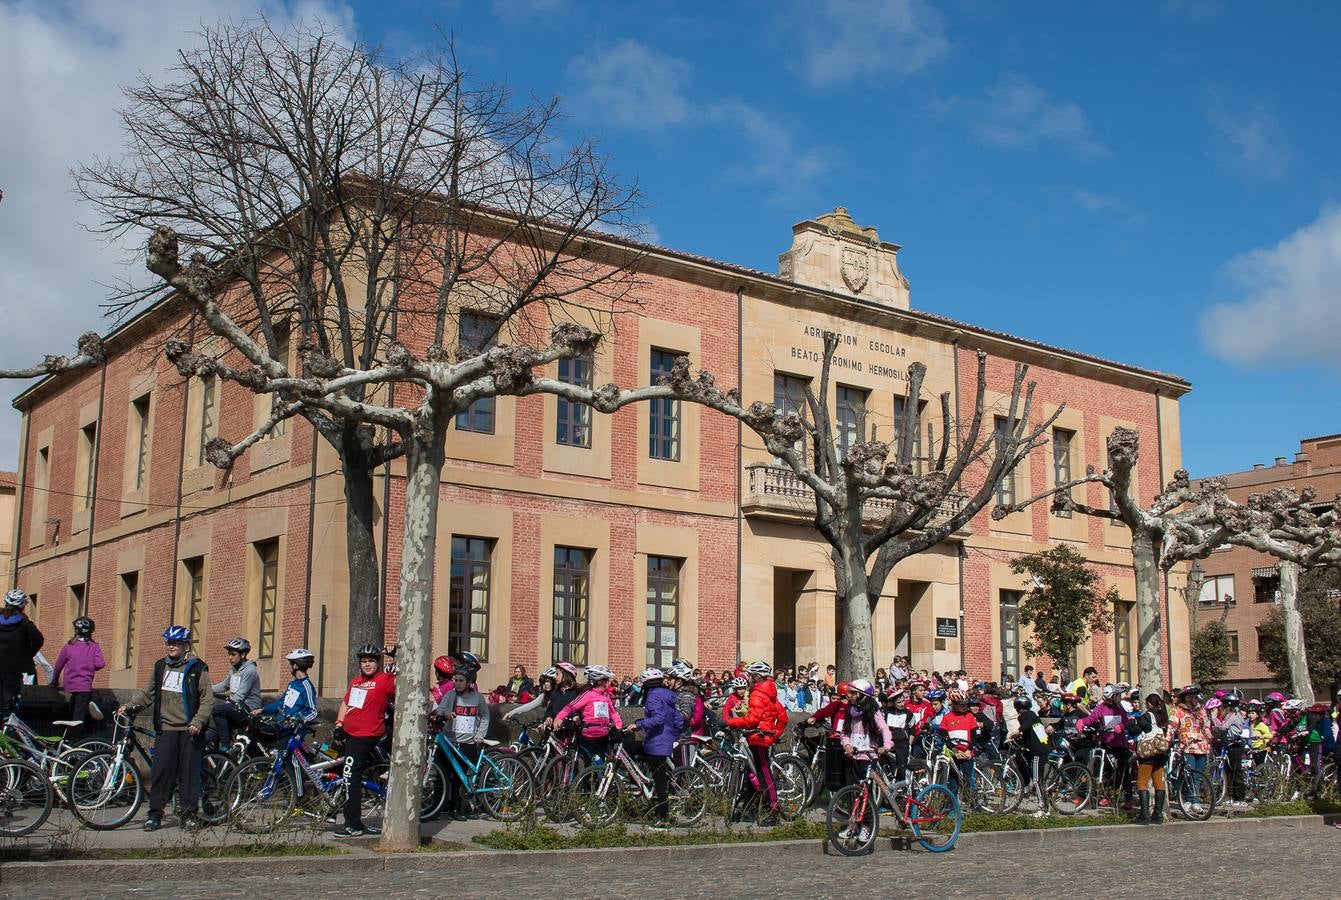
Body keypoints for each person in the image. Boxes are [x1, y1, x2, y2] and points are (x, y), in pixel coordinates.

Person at [118, 625, 214, 831]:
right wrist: (129, 706)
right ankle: (155, 815)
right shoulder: (161, 666)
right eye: (169, 643)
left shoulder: (198, 668)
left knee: (189, 775)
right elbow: (148, 694)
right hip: (166, 729)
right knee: (161, 773)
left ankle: (189, 815)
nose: (171, 646)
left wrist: (198, 721)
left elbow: (207, 700)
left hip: (189, 730)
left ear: (186, 646)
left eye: (176, 643)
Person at [332, 643, 396, 837]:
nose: (367, 664)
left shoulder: (384, 680)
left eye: (371, 661)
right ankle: (330, 810)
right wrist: (339, 724)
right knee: (334, 768)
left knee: (351, 777)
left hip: (365, 735)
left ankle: (353, 824)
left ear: (378, 663)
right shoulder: (356, 682)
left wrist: (395, 657)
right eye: (364, 661)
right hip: (349, 734)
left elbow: (404, 677)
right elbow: (346, 702)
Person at [726, 660, 787, 824]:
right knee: (751, 775)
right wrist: (774, 735)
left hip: (758, 738)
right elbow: (783, 718)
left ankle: (773, 811)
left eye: (751, 676)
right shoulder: (771, 693)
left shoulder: (758, 694)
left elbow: (752, 720)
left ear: (757, 677)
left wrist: (729, 722)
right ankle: (748, 810)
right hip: (760, 736)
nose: (748, 679)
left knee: (764, 774)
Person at [433, 658, 489, 821]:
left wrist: (480, 735)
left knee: (460, 777)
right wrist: (446, 714)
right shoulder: (450, 696)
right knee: (442, 775)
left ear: (469, 682)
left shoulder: (478, 698)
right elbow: (440, 710)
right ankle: (438, 806)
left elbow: (485, 716)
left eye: (460, 681)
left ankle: (456, 808)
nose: (457, 683)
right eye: (455, 680)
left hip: (467, 743)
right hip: (450, 741)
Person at [626, 667, 682, 825]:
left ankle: (663, 818)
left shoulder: (652, 697)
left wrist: (638, 724)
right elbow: (678, 720)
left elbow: (658, 718)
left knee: (660, 781)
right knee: (635, 749)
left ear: (646, 684)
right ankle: (640, 783)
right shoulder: (669, 696)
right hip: (664, 740)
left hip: (657, 742)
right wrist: (673, 735)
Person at [1076, 683, 1132, 809]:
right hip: (1106, 744)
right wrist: (1081, 721)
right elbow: (1091, 718)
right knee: (1102, 770)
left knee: (1123, 770)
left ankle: (1128, 798)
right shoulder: (1101, 707)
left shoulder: (1120, 708)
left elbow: (1126, 721)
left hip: (1120, 744)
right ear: (1112, 696)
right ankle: (1101, 795)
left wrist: (1121, 726)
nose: (1119, 698)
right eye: (1118, 696)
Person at [50, 616, 105, 737]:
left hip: (69, 686)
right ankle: (76, 742)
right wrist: (90, 665)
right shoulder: (94, 647)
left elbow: (58, 666)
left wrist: (54, 682)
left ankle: (68, 741)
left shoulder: (68, 646)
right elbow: (100, 664)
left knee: (71, 714)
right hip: (84, 686)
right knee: (78, 718)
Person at [554, 665, 622, 761]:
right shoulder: (588, 694)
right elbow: (571, 706)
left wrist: (618, 725)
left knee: (604, 765)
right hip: (589, 737)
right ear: (599, 681)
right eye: (606, 680)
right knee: (595, 764)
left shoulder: (606, 696)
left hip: (604, 736)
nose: (608, 683)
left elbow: (613, 712)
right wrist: (559, 717)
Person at [210, 637, 261, 747]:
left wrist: (227, 705)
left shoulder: (250, 670)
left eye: (233, 654)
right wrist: (206, 689)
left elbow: (240, 695)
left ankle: (225, 744)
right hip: (235, 706)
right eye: (229, 654)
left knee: (217, 710)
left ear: (242, 655)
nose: (230, 658)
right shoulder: (233, 669)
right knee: (213, 732)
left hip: (248, 709)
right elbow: (224, 686)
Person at [0, 589, 43, 717]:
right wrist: (26, 655)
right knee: (10, 702)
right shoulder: (24, 623)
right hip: (13, 669)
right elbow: (38, 639)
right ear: (22, 606)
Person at [1129, 692, 1171, 825]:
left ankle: (1144, 814)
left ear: (1149, 704)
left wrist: (1129, 722)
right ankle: (1158, 814)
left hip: (1149, 755)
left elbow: (1135, 730)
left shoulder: (1147, 716)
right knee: (1159, 783)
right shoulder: (1163, 715)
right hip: (1161, 755)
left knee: (1141, 783)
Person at [1170, 685, 1211, 815]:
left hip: (1201, 746)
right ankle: (1188, 799)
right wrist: (1167, 740)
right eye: (1193, 697)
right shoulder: (1178, 711)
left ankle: (1196, 802)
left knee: (1198, 775)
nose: (1196, 699)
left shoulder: (1201, 711)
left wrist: (1210, 735)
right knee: (1188, 774)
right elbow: (1172, 726)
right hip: (1187, 746)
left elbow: (1205, 726)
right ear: (1187, 697)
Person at [1011, 693, 1050, 818]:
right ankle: (1046, 807)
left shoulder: (1025, 716)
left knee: (1037, 780)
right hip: (1042, 748)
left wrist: (1018, 731)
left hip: (1038, 751)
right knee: (1039, 780)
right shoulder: (1033, 714)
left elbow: (1027, 724)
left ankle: (1042, 808)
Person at [936, 689, 979, 796]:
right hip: (954, 753)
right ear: (954, 705)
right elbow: (945, 737)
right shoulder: (947, 717)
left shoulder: (969, 717)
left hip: (967, 752)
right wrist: (954, 750)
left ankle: (972, 802)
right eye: (961, 705)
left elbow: (974, 736)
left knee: (969, 779)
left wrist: (969, 750)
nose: (965, 707)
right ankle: (952, 805)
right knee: (953, 781)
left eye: (966, 705)